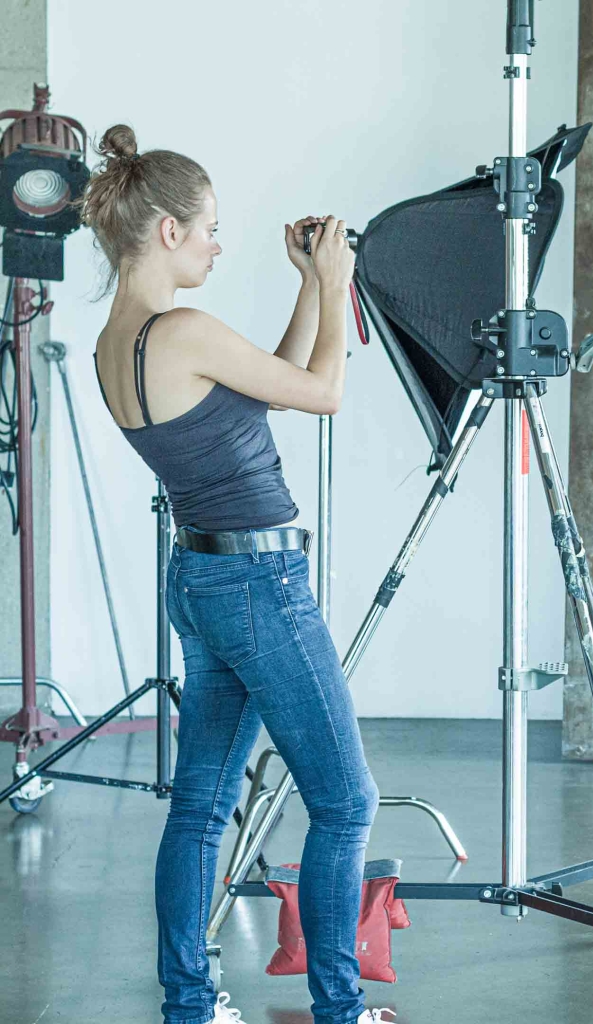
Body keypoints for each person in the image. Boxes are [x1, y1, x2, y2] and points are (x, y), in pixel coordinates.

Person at [80, 124, 392, 1024]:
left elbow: (276, 381)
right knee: (345, 801)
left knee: (202, 807)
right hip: (260, 591)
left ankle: (190, 1004)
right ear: (168, 231)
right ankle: (340, 1010)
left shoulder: (125, 340)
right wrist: (336, 285)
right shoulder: (183, 329)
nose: (219, 243)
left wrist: (308, 288)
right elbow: (326, 392)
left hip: (204, 582)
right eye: (210, 227)